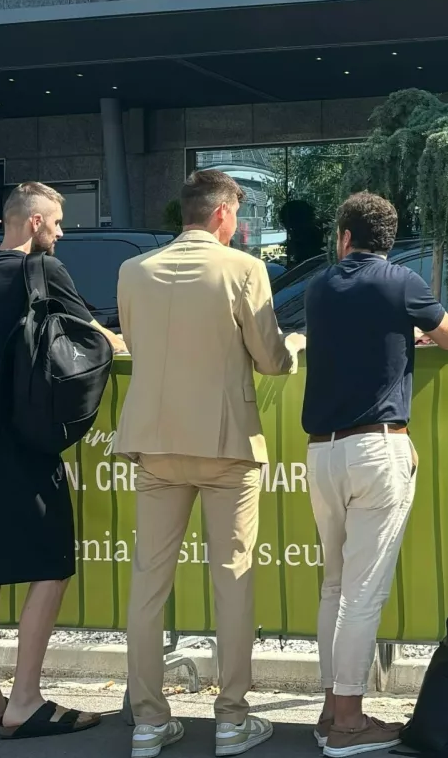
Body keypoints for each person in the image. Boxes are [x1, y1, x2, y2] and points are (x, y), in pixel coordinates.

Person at [118, 169, 305, 758]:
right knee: (233, 581)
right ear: (223, 214)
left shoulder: (133, 271)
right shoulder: (244, 269)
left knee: (148, 583)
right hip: (227, 443)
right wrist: (295, 347)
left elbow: (140, 346)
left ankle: (148, 722)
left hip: (154, 441)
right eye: (237, 215)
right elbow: (269, 358)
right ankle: (231, 719)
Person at [0, 181, 125, 740]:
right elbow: (94, 336)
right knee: (51, 565)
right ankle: (24, 700)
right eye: (58, 222)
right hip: (18, 443)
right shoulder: (41, 270)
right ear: (36, 221)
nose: (62, 233)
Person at [303, 192, 448, 757]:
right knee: (362, 595)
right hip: (377, 448)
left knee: (334, 587)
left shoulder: (318, 286)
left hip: (321, 452)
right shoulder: (401, 283)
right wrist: (415, 333)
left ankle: (331, 711)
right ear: (388, 241)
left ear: (344, 237)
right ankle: (349, 723)